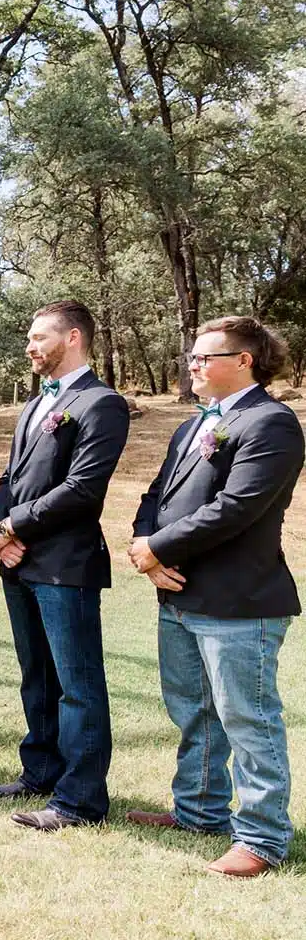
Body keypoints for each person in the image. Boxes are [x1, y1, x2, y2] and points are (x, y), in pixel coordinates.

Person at [126, 316, 301, 877]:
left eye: (204, 357)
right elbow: (157, 496)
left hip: (238, 601)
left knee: (248, 720)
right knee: (194, 713)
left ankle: (262, 838)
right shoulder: (193, 425)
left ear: (244, 361)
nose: (193, 365)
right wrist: (146, 547)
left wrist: (158, 547)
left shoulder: (271, 422)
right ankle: (199, 812)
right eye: (192, 357)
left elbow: (237, 507)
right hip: (179, 595)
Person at [0, 300, 130, 830]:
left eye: (38, 337)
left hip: (66, 567)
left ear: (72, 338)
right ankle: (40, 771)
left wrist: (13, 528)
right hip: (19, 563)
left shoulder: (101, 404)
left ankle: (80, 800)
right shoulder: (34, 405)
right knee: (37, 678)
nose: (29, 347)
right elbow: (10, 478)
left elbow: (82, 488)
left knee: (77, 685)